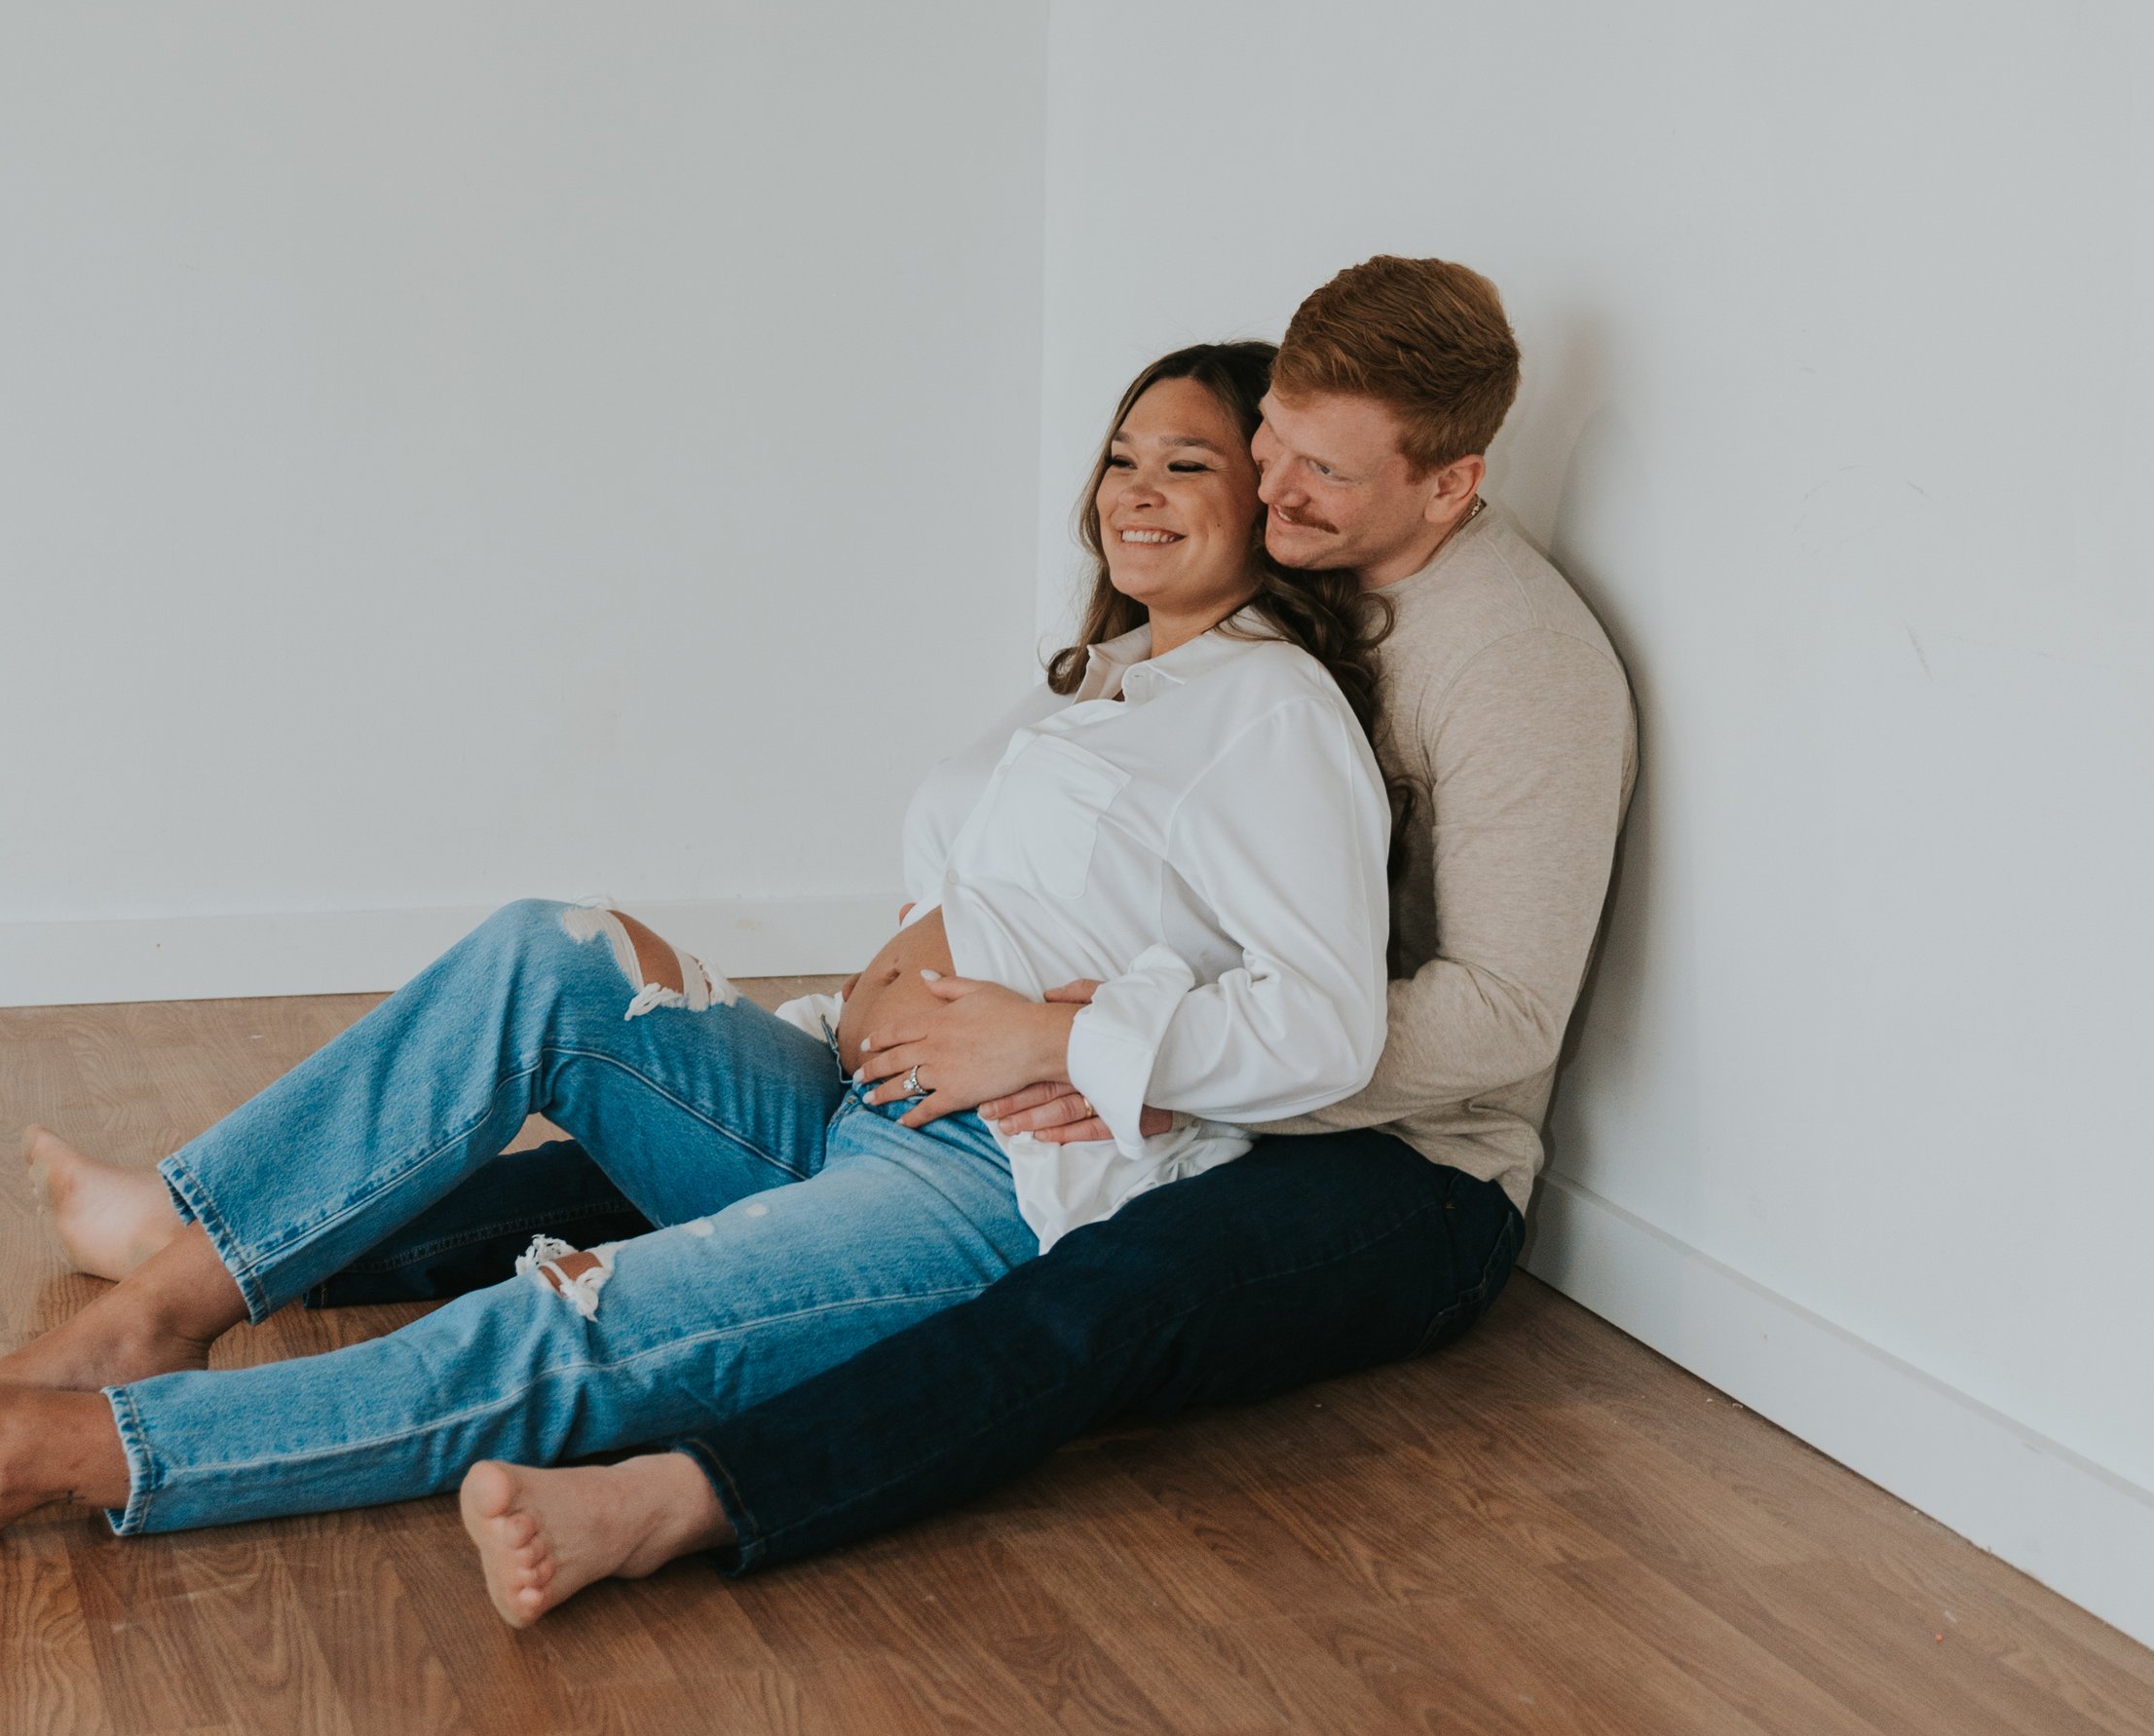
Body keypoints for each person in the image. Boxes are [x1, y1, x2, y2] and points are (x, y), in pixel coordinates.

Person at [0, 341, 1397, 1553]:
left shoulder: (1271, 708)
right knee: (557, 947)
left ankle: (49, 1452)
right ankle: (167, 1290)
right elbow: (981, 919)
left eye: (1184, 460)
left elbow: (1327, 1019)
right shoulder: (1102, 692)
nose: (1134, 488)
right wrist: (793, 1014)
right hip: (839, 1093)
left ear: (1267, 491)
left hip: (979, 1186)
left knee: (574, 1316)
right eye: (1120, 455)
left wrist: (1068, 1047)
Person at [450, 252, 1638, 1631]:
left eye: (1325, 473)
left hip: (1411, 1159)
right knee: (741, 1122)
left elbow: (1503, 1018)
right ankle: (274, 1241)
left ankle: (678, 1500)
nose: (1274, 491)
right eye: (1272, 448)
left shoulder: (1517, 663)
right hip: (1205, 1059)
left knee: (1105, 1289)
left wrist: (1128, 1053)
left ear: (1451, 482)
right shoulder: (1293, 580)